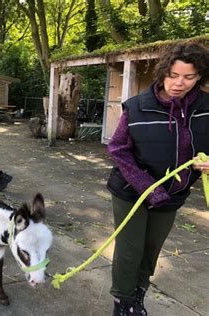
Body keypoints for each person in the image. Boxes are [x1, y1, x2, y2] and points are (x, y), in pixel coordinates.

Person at [106, 42, 209, 315]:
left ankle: (138, 294)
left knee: (151, 249)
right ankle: (122, 303)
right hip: (131, 191)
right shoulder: (138, 106)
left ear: (199, 77)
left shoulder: (206, 107)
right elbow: (117, 148)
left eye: (189, 77)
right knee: (130, 250)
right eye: (173, 75)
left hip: (173, 194)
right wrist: (147, 188)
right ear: (163, 72)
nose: (179, 83)